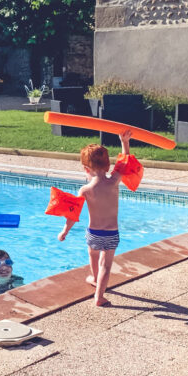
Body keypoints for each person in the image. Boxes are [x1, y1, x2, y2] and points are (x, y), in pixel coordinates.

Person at [58, 130, 132, 307]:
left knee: (93, 256)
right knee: (106, 266)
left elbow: (73, 215)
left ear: (86, 169)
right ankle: (99, 296)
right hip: (111, 233)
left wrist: (64, 231)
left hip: (93, 232)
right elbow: (125, 161)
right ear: (108, 166)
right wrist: (124, 142)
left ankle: (94, 277)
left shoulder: (85, 190)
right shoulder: (114, 181)